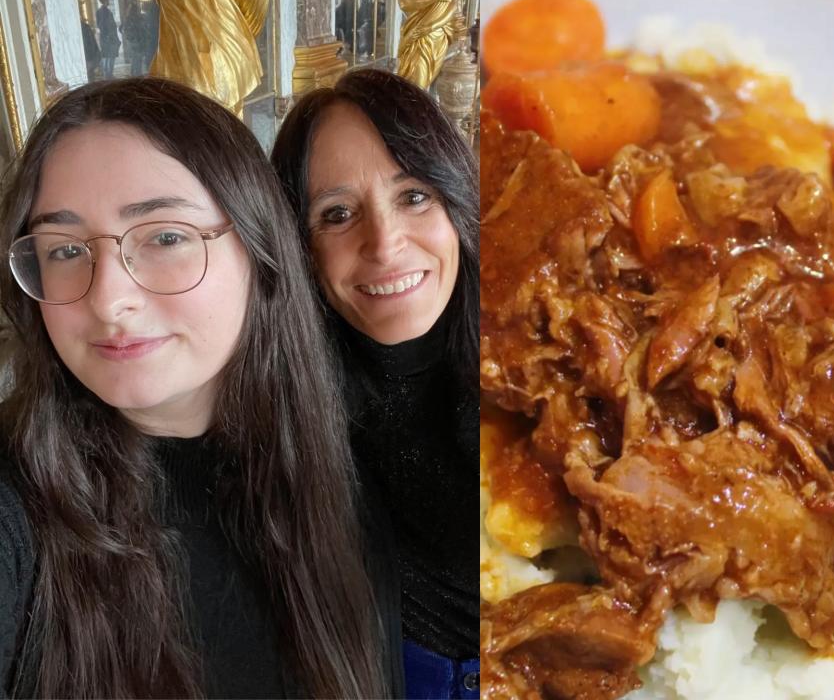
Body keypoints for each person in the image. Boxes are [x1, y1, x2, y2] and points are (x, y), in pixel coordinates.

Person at [0, 77, 396, 698]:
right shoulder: (16, 510)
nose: (109, 300)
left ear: (258, 248)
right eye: (66, 248)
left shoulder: (347, 453)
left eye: (164, 237)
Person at [272, 69, 479, 700]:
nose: (385, 246)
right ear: (301, 248)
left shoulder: (545, 354)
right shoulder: (279, 413)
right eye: (337, 214)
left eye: (414, 196)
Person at [95, 0, 120, 78]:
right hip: (109, 38)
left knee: (106, 57)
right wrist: (111, 36)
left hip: (105, 38)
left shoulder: (99, 11)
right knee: (110, 57)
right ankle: (109, 76)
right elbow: (107, 26)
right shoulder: (106, 12)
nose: (109, 0)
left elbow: (99, 25)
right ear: (105, 0)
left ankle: (108, 75)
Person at [121, 0, 148, 76]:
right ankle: (138, 75)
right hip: (137, 42)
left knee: (134, 59)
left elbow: (123, 29)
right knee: (137, 60)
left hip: (132, 42)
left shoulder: (128, 18)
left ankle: (134, 74)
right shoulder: (138, 18)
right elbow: (142, 30)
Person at [80, 17, 100, 82]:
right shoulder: (85, 27)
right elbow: (92, 43)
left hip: (87, 56)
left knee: (89, 76)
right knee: (90, 76)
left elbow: (91, 43)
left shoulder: (84, 27)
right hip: (88, 56)